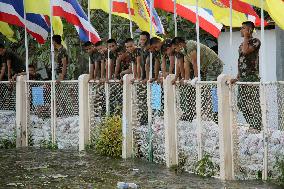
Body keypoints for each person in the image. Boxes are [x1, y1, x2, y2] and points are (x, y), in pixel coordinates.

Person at [230, 21, 262, 130]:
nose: (241, 30)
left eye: (243, 28)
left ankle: (257, 126)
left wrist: (246, 37)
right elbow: (241, 60)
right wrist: (237, 77)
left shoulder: (255, 41)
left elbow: (245, 51)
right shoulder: (242, 44)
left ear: (250, 30)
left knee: (254, 103)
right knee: (241, 103)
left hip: (252, 77)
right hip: (243, 77)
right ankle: (253, 124)